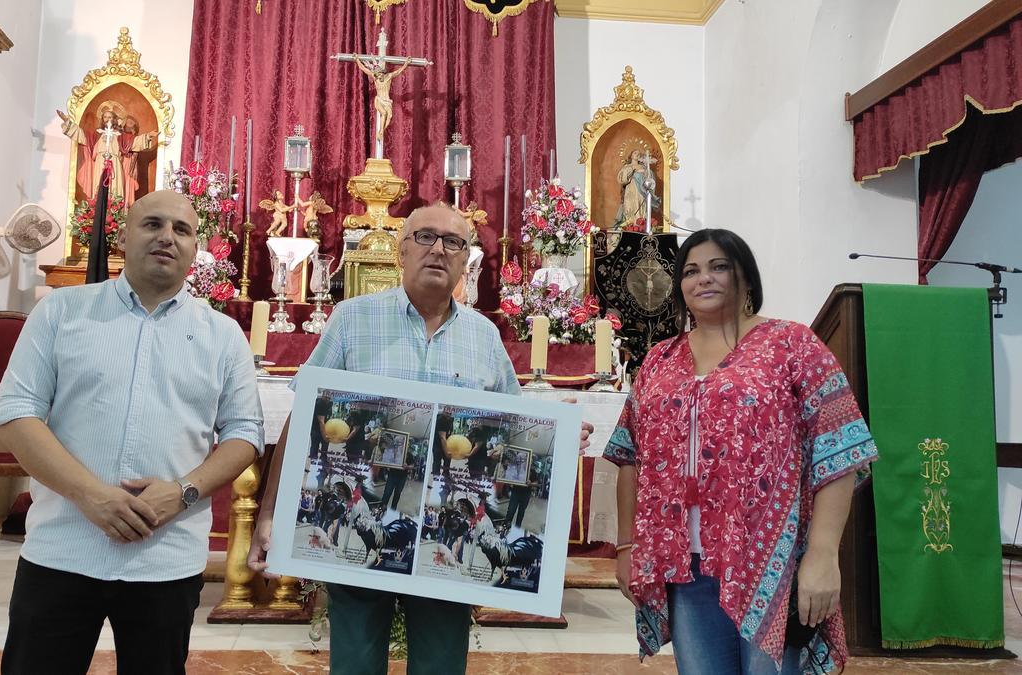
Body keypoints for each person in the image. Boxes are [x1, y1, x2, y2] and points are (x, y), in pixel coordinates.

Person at [249, 203, 593, 674]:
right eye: (426, 237)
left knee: (439, 663)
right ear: (401, 250)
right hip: (359, 521)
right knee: (354, 662)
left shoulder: (485, 337)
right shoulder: (352, 319)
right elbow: (304, 415)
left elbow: (513, 434)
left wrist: (556, 437)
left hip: (446, 539)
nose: (438, 249)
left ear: (466, 258)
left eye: (453, 242)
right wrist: (269, 514)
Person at [0, 190, 263, 675]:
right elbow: (15, 411)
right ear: (122, 235)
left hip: (165, 555)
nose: (167, 237)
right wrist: (90, 495)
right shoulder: (61, 312)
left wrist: (181, 493)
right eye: (152, 224)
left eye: (181, 230)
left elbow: (245, 432)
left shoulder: (222, 334)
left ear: (196, 248)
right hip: (64, 546)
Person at [606, 228, 878, 675]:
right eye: (691, 271)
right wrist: (626, 547)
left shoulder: (792, 345)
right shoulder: (659, 358)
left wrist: (823, 554)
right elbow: (629, 453)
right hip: (684, 566)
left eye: (718, 266)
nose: (703, 279)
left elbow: (841, 449)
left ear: (746, 278)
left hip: (771, 562)